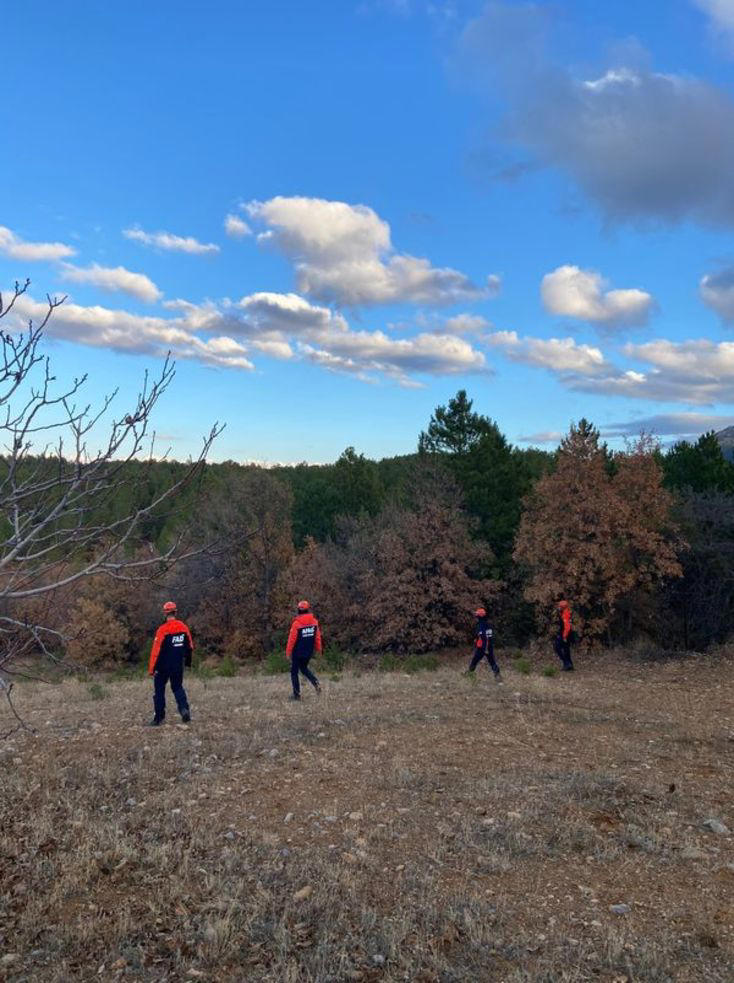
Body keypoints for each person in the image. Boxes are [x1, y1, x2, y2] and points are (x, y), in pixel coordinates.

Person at [147, 600, 193, 725]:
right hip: (177, 665)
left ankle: (158, 718)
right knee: (177, 687)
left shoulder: (162, 630)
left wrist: (152, 669)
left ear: (165, 613)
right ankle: (184, 709)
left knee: (159, 691)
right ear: (175, 612)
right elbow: (190, 646)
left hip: (162, 666)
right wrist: (188, 663)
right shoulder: (183, 627)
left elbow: (155, 651)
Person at [286, 599, 322, 701]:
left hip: (297, 652)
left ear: (299, 610)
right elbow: (317, 637)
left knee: (294, 672)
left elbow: (291, 640)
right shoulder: (314, 622)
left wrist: (288, 652)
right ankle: (316, 683)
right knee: (303, 668)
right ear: (308, 609)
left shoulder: (296, 624)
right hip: (308, 652)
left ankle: (296, 695)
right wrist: (319, 649)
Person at [466, 607, 501, 680]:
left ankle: (469, 673)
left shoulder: (480, 625)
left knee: (475, 660)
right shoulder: (488, 624)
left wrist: (485, 648)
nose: (476, 616)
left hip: (483, 647)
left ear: (479, 616)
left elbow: (483, 637)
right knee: (492, 661)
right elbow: (490, 636)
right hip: (489, 646)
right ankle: (497, 675)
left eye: (477, 615)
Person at [554, 599, 574, 671]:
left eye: (560, 606)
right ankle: (570, 665)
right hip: (568, 634)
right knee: (566, 649)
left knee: (557, 647)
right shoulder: (567, 612)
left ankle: (566, 663)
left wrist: (564, 636)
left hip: (565, 634)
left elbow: (567, 627)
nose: (558, 607)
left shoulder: (565, 615)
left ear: (563, 608)